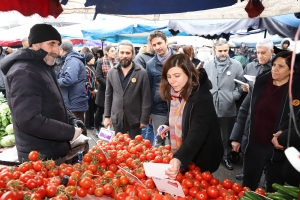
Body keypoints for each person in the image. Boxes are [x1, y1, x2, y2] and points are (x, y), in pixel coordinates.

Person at [0, 24, 83, 163]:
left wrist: (71, 119)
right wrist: (69, 132)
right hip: (39, 156)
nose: (56, 50)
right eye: (51, 44)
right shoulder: (24, 72)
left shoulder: (44, 66)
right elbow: (29, 119)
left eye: (58, 45)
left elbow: (54, 101)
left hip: (53, 150)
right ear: (36, 45)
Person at [230, 51, 300, 191]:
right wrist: (236, 137)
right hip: (254, 144)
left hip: (277, 149)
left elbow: (296, 120)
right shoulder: (260, 84)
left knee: (273, 188)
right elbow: (244, 111)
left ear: (292, 70)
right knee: (248, 186)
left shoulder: (296, 91)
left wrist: (284, 132)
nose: (275, 68)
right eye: (274, 65)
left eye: (281, 66)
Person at [157, 54, 223, 179]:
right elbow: (177, 113)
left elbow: (197, 132)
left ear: (189, 73)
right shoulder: (175, 91)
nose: (172, 81)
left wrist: (179, 158)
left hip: (203, 153)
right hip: (185, 150)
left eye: (177, 76)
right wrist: (167, 124)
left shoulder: (202, 96)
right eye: (169, 76)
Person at [234, 38, 275, 180]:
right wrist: (244, 88)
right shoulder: (250, 66)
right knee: (249, 143)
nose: (260, 56)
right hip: (251, 108)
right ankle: (247, 172)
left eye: (264, 53)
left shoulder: (276, 68)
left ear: (272, 52)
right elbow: (244, 84)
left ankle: (265, 177)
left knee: (266, 147)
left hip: (269, 113)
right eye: (258, 53)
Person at [204, 39, 243, 170]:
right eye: (220, 51)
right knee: (209, 133)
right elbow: (203, 83)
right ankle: (210, 156)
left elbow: (241, 85)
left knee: (227, 134)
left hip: (228, 105)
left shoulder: (236, 65)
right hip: (210, 105)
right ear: (214, 50)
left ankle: (225, 157)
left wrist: (234, 96)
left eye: (225, 50)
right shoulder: (207, 65)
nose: (223, 53)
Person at [104, 40, 151, 139]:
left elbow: (146, 97)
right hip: (117, 118)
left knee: (134, 149)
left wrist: (144, 119)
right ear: (117, 54)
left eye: (128, 53)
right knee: (119, 148)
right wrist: (107, 116)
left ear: (133, 54)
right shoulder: (112, 72)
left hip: (135, 119)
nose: (124, 55)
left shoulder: (141, 72)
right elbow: (108, 96)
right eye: (122, 52)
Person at [146, 30, 176, 146]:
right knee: (159, 141)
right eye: (154, 45)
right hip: (159, 108)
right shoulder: (150, 64)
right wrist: (148, 112)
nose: (157, 47)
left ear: (166, 41)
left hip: (177, 106)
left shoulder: (179, 59)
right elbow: (148, 88)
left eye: (159, 43)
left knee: (176, 141)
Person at [58, 39, 88, 123]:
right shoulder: (71, 59)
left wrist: (55, 81)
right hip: (73, 99)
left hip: (74, 101)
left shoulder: (72, 60)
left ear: (61, 49)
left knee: (78, 129)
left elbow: (69, 80)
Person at [134, 37, 155, 144]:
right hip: (145, 101)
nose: (156, 46)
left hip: (156, 101)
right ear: (149, 43)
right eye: (154, 43)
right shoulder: (140, 58)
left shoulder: (158, 56)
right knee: (146, 133)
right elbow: (140, 83)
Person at [94, 45, 118, 136]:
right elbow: (99, 77)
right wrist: (109, 86)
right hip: (103, 90)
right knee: (100, 110)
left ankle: (112, 129)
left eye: (114, 50)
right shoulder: (100, 61)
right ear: (107, 52)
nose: (114, 52)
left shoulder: (117, 61)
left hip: (115, 90)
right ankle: (96, 128)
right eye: (112, 50)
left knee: (113, 109)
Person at [84, 52, 98, 129]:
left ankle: (92, 123)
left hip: (93, 92)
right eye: (92, 58)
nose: (94, 59)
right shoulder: (86, 68)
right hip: (88, 92)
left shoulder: (92, 67)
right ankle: (88, 124)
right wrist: (92, 89)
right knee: (89, 109)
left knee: (92, 108)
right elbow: (86, 80)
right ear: (88, 59)